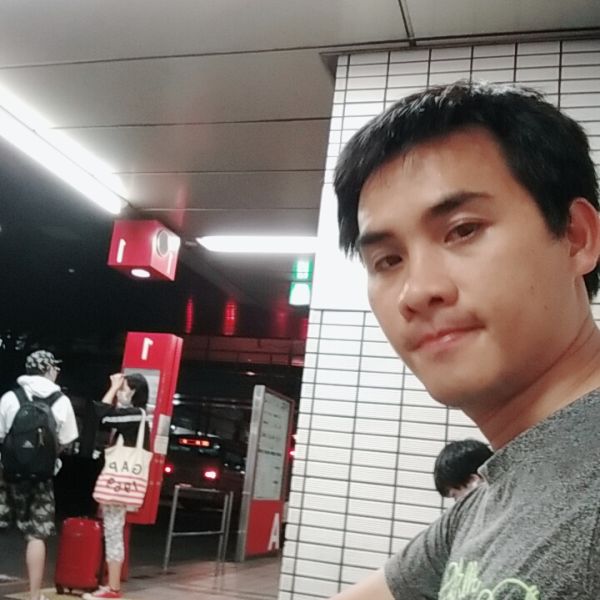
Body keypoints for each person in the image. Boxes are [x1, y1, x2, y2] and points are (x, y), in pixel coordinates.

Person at [330, 80, 600, 599]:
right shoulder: (490, 497)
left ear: (576, 237)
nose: (416, 292)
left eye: (463, 230)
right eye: (388, 260)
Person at [0, 350, 78, 600]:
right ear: (48, 370)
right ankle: (34, 595)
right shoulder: (61, 401)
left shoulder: (11, 397)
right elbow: (66, 440)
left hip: (7, 473)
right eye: (55, 367)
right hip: (42, 477)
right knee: (36, 534)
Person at [83, 372, 149, 600]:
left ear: (134, 392)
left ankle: (113, 589)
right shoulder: (136, 416)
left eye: (124, 388)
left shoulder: (135, 415)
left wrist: (112, 386)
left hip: (118, 485)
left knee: (113, 532)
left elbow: (101, 414)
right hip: (124, 484)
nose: (120, 392)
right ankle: (111, 586)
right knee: (113, 531)